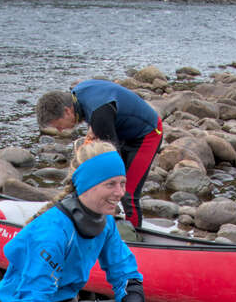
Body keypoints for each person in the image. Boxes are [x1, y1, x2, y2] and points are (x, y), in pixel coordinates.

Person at [0, 140, 165, 302]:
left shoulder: (106, 223)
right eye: (111, 184)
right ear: (87, 184)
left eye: (122, 184)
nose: (120, 192)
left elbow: (126, 275)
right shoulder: (52, 233)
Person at [36, 79, 162, 228]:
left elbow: (114, 160)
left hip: (148, 133)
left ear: (67, 111)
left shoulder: (99, 114)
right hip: (123, 129)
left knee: (127, 191)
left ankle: (133, 238)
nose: (60, 131)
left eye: (58, 125)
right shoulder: (76, 95)